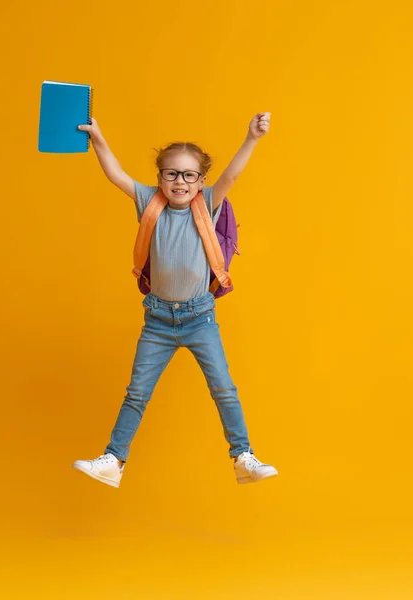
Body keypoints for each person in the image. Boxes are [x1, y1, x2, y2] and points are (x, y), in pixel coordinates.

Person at [72, 112, 278, 488]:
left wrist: (252, 138)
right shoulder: (149, 203)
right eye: (171, 173)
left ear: (201, 181)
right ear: (159, 178)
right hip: (158, 321)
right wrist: (98, 138)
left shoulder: (208, 203)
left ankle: (242, 456)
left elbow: (231, 174)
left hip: (200, 318)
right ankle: (113, 461)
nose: (179, 181)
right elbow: (116, 174)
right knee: (137, 393)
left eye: (188, 175)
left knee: (224, 389)